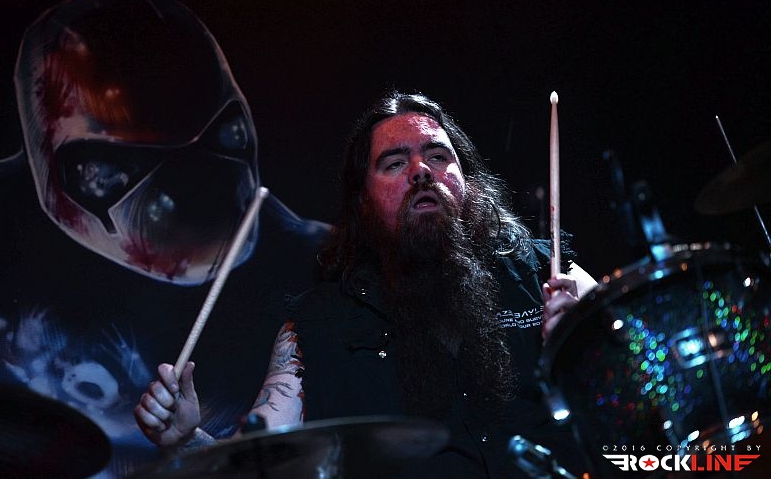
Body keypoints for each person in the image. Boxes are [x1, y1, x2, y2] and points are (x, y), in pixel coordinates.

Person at [135, 92, 597, 476]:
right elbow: (259, 464)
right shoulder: (315, 327)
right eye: (394, 163)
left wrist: (595, 350)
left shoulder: (549, 273)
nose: (421, 170)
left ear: (467, 183)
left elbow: (639, 399)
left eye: (438, 156)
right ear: (363, 202)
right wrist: (184, 440)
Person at [0, 0, 328, 477]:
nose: (182, 195)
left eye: (221, 138)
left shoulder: (311, 265)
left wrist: (186, 441)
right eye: (106, 172)